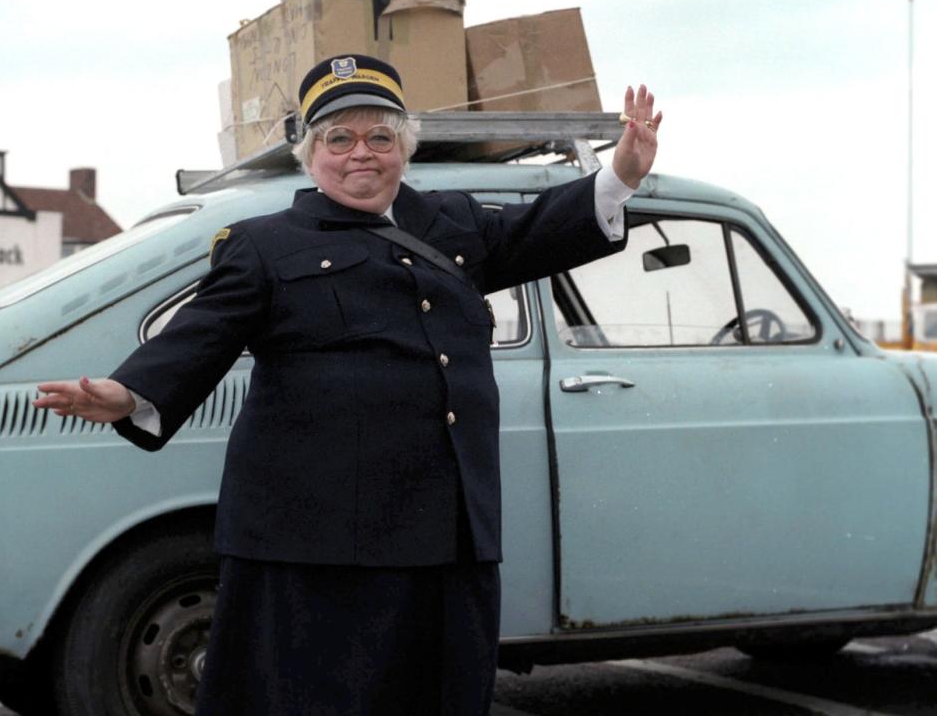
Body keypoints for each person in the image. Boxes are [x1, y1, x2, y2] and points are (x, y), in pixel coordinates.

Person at [34, 54, 661, 716]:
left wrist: (620, 171)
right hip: (323, 546)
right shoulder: (264, 245)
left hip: (446, 535)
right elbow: (202, 334)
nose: (361, 154)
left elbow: (540, 226)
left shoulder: (453, 223)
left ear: (403, 149)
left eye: (379, 137)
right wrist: (129, 394)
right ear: (310, 155)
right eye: (339, 138)